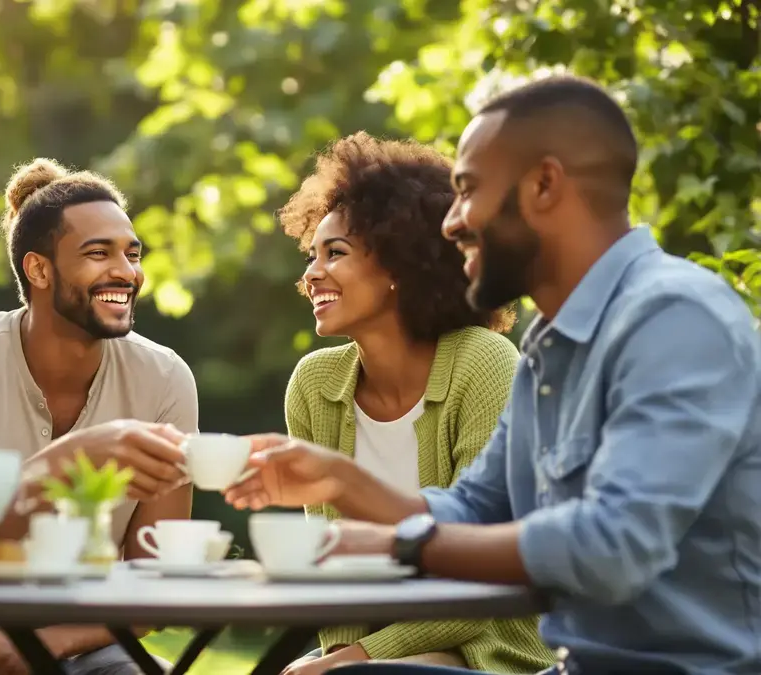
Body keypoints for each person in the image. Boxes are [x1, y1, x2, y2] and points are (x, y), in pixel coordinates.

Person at [226, 75, 761, 675]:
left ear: (544, 185)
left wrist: (400, 544)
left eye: (468, 191)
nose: (451, 224)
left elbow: (616, 546)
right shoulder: (550, 348)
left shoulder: (673, 318)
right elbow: (477, 507)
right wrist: (337, 481)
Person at [0, 158, 197, 675]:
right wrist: (65, 462)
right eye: (99, 253)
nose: (126, 271)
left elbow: (155, 579)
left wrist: (48, 641)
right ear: (39, 269)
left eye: (132, 254)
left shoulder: (165, 378)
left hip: (84, 642)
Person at [272, 132, 550, 674]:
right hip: (370, 652)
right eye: (312, 255)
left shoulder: (484, 363)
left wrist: (358, 659)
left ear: (399, 266)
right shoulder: (315, 384)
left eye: (336, 254)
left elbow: (483, 568)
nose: (311, 274)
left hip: (489, 645)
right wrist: (338, 657)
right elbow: (330, 560)